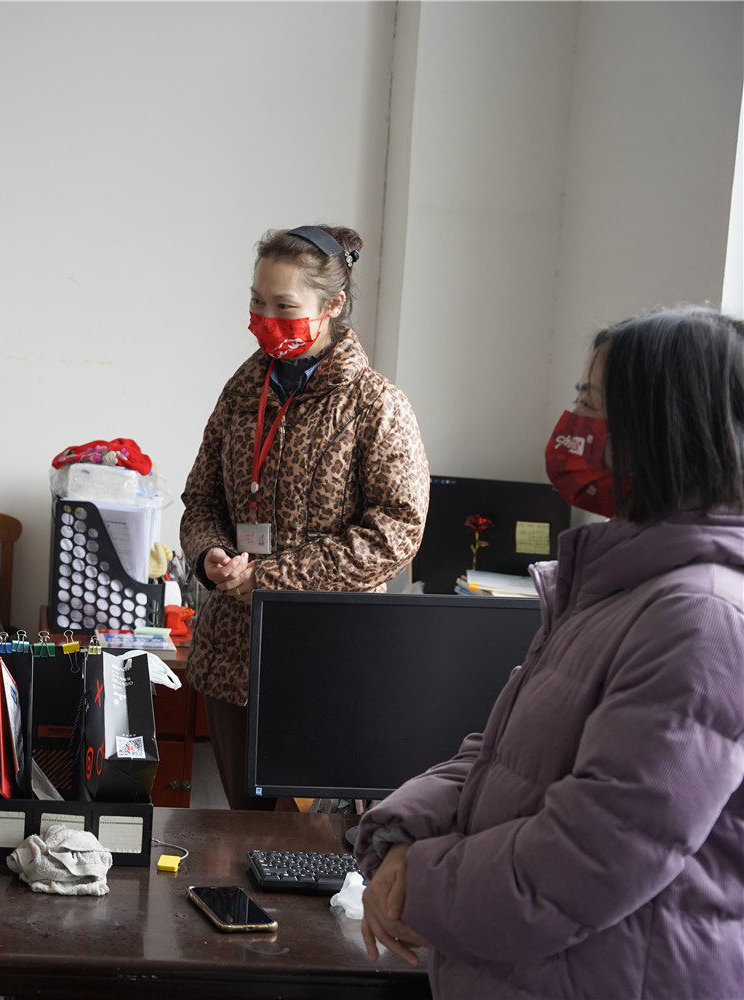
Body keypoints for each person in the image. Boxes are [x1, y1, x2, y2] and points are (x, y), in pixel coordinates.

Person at [355, 307, 744, 998]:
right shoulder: (615, 587)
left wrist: (420, 884)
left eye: (591, 405)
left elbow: (588, 858)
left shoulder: (699, 619)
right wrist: (402, 834)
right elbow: (500, 756)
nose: (571, 427)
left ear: (662, 427)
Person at [179, 224, 430, 809]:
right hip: (231, 656)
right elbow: (201, 500)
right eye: (257, 302)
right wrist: (209, 552)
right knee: (241, 830)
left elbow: (396, 532)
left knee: (307, 843)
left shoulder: (374, 404)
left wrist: (270, 577)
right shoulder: (242, 392)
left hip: (327, 662)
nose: (266, 318)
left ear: (333, 305)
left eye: (284, 306)